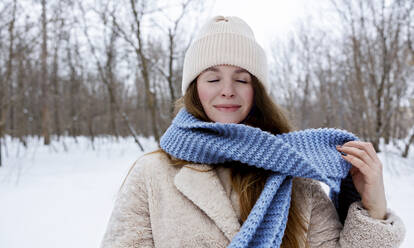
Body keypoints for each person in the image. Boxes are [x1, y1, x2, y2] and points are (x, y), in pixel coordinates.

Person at [100, 16, 405, 248]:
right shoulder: (152, 174)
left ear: (256, 91)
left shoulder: (294, 173)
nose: (228, 91)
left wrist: (373, 208)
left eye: (242, 79)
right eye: (212, 78)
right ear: (194, 88)